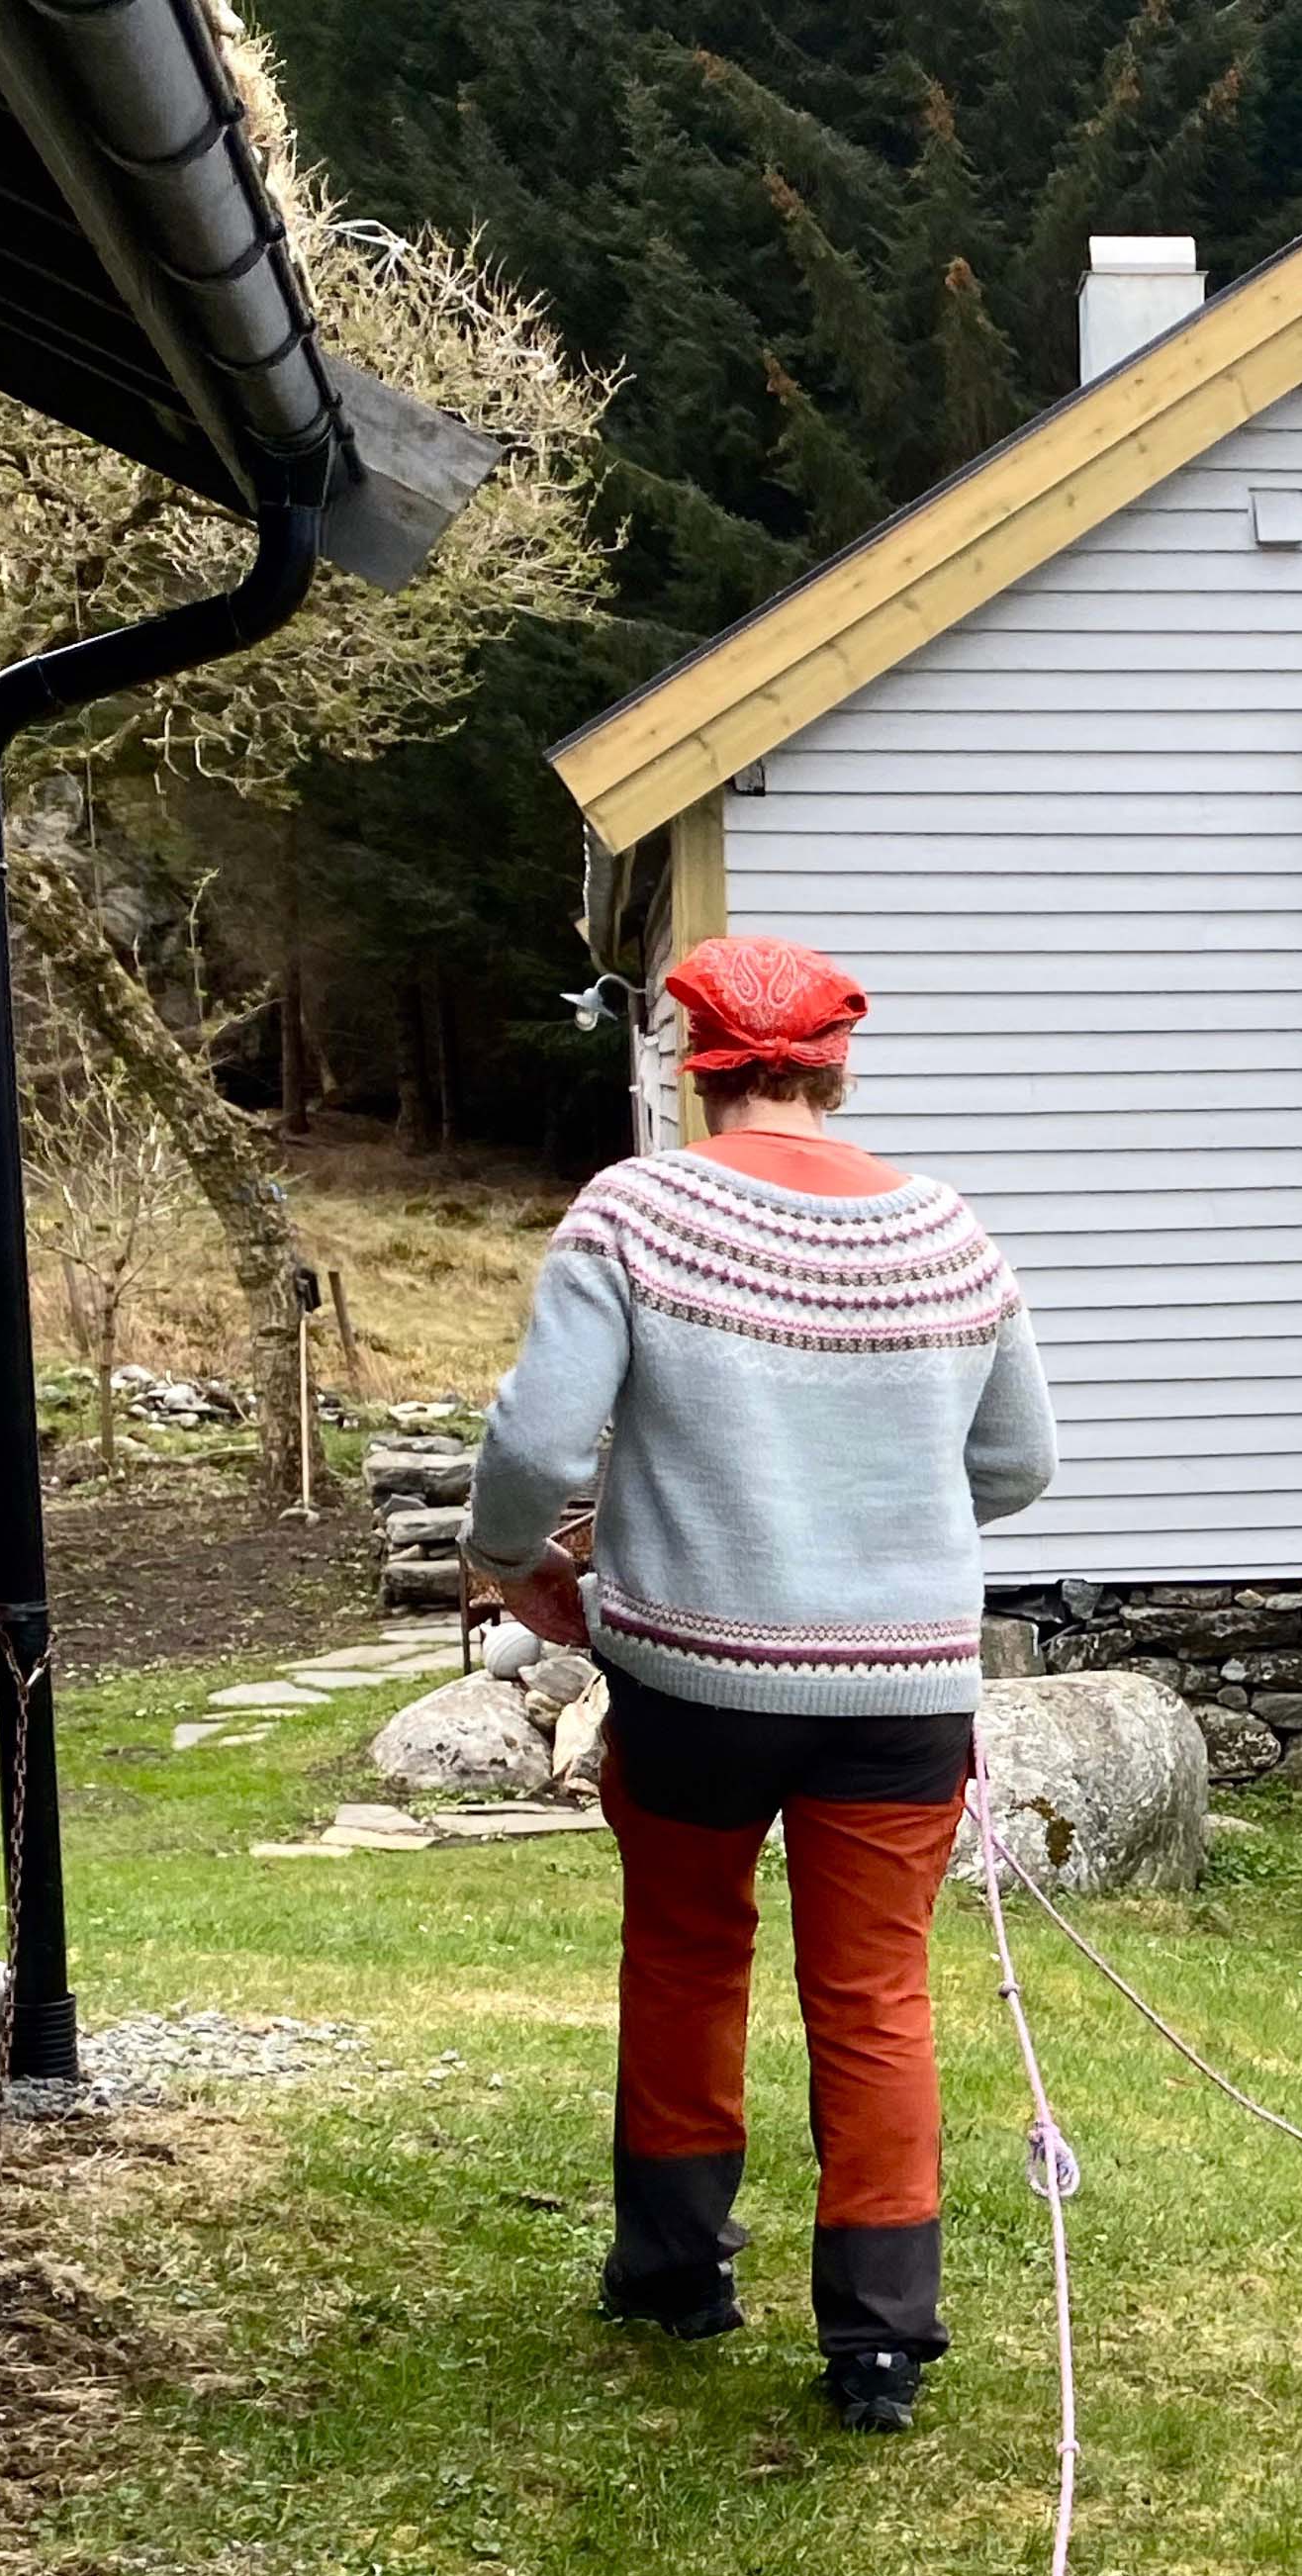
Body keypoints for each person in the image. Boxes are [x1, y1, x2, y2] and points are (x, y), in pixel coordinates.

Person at [464, 936, 1054, 2432]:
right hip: (901, 1692)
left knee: (684, 1953)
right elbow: (1019, 1468)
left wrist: (515, 1560)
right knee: (874, 1994)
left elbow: (537, 1447)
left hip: (694, 1678)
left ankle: (674, 2274)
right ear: (837, 1066)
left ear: (694, 1062)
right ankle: (875, 2344)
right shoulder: (950, 1233)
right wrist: (874, 1517)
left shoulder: (635, 1209)